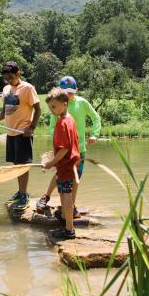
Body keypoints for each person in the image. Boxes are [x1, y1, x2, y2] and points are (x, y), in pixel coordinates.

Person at [36, 76, 101, 217]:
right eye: (66, 91)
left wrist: (94, 134)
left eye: (71, 91)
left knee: (75, 177)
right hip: (63, 148)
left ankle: (71, 207)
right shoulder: (57, 105)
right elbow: (53, 127)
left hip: (79, 150)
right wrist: (62, 139)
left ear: (76, 90)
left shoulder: (82, 103)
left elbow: (96, 118)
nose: (69, 94)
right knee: (60, 174)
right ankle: (46, 196)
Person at [0, 61, 41, 211]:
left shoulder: (28, 88)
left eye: (11, 77)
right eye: (6, 78)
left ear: (19, 73)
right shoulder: (6, 89)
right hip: (10, 133)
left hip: (23, 133)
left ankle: (24, 195)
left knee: (23, 165)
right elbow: (5, 111)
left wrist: (31, 128)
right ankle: (20, 192)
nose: (9, 80)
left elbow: (38, 110)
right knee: (16, 164)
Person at [43, 87, 81, 239]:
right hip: (71, 163)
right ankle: (65, 218)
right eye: (50, 107)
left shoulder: (62, 123)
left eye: (54, 106)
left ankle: (69, 230)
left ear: (64, 104)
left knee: (66, 195)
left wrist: (51, 163)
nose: (51, 110)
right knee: (65, 192)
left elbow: (64, 148)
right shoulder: (70, 119)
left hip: (66, 164)